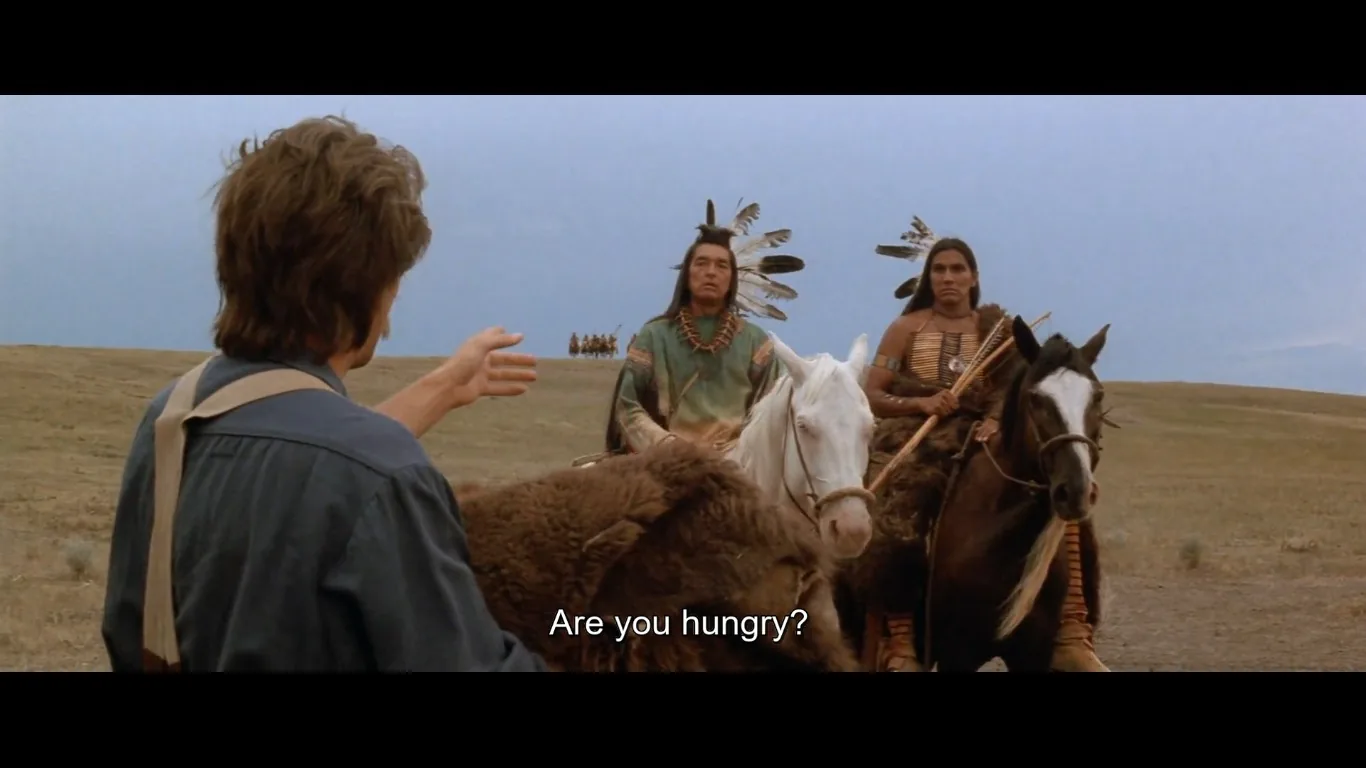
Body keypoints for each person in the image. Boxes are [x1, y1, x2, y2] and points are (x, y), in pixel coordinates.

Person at [101, 115, 547, 672]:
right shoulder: (382, 474)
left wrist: (446, 384)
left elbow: (128, 631)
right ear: (368, 287)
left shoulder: (169, 420)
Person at [861, 225, 1106, 672]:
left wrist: (993, 420)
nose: (948, 277)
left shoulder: (998, 331)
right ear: (928, 278)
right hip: (917, 432)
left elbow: (1014, 387)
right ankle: (900, 639)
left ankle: (1072, 627)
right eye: (939, 270)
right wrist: (921, 403)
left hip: (984, 430)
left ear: (974, 277)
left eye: (958, 269)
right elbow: (873, 392)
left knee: (1066, 498)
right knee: (899, 508)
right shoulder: (905, 328)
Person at [603, 199, 804, 454]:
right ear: (687, 276)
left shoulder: (755, 342)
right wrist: (669, 446)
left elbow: (777, 406)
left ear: (732, 279)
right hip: (666, 461)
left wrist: (739, 449)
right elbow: (627, 406)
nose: (711, 272)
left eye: (721, 265)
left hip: (737, 461)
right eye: (701, 263)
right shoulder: (654, 336)